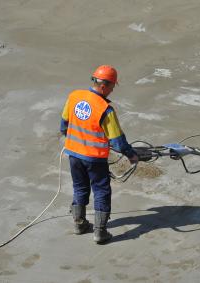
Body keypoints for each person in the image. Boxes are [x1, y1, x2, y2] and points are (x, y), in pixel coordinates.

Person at [60, 65, 138, 244]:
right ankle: (100, 232)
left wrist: (75, 140)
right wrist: (131, 155)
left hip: (74, 155)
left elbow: (64, 124)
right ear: (104, 85)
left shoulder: (74, 97)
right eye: (112, 87)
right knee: (101, 191)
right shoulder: (105, 109)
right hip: (94, 158)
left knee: (80, 188)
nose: (112, 91)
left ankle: (79, 224)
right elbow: (117, 140)